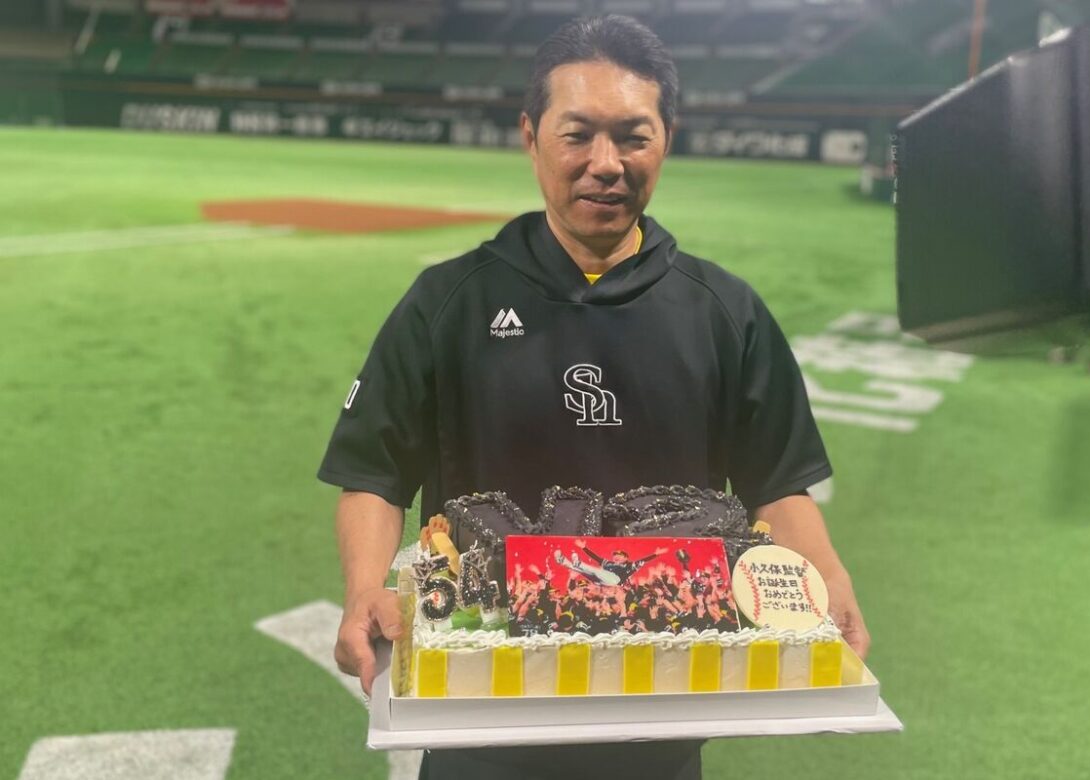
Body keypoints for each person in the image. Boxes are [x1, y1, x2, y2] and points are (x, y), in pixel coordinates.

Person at [319, 14, 870, 780]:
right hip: (482, 710)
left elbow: (777, 483)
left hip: (664, 701)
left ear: (666, 140)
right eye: (577, 134)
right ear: (530, 135)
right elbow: (374, 473)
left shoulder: (725, 312)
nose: (605, 163)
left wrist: (827, 578)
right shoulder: (447, 302)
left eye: (632, 136)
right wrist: (362, 591)